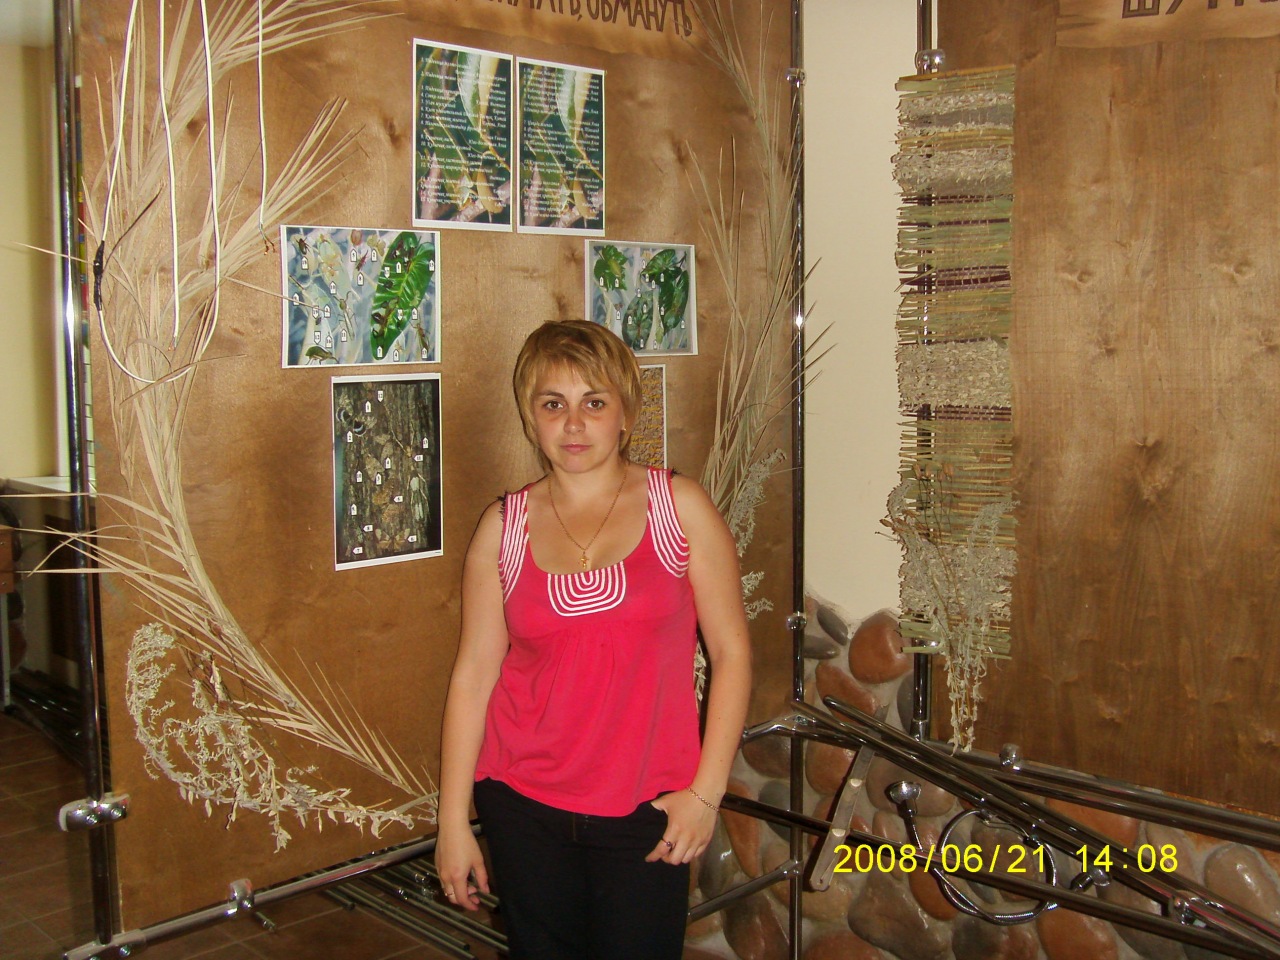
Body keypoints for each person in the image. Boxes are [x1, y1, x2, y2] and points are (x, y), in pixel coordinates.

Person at [434, 319, 753, 960]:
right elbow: (473, 677)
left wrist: (705, 793)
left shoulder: (679, 507)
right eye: (554, 404)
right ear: (531, 418)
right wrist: (452, 824)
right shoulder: (502, 527)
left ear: (626, 415)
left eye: (595, 403)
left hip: (647, 803)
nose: (574, 424)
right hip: (521, 801)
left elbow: (732, 654)